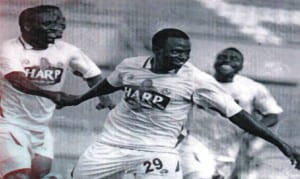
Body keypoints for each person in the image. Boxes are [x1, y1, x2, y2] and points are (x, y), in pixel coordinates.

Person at [59, 28, 300, 179]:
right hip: (112, 143)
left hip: (159, 149)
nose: (182, 58)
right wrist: (79, 99)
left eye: (186, 53)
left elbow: (238, 115)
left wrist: (282, 145)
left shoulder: (196, 80)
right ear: (157, 50)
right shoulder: (130, 66)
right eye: (176, 52)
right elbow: (111, 84)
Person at [0, 5, 113, 179]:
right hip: (9, 124)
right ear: (28, 26)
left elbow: (92, 75)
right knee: (18, 175)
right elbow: (18, 80)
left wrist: (105, 98)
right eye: (50, 23)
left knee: (40, 173)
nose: (58, 27)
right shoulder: (9, 49)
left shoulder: (67, 51)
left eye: (61, 22)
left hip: (41, 127)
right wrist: (54, 95)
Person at [177, 47, 284, 179]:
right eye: (222, 57)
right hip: (195, 142)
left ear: (241, 66)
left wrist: (253, 128)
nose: (227, 60)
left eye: (234, 59)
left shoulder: (252, 88)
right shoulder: (199, 83)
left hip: (229, 149)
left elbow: (272, 114)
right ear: (215, 62)